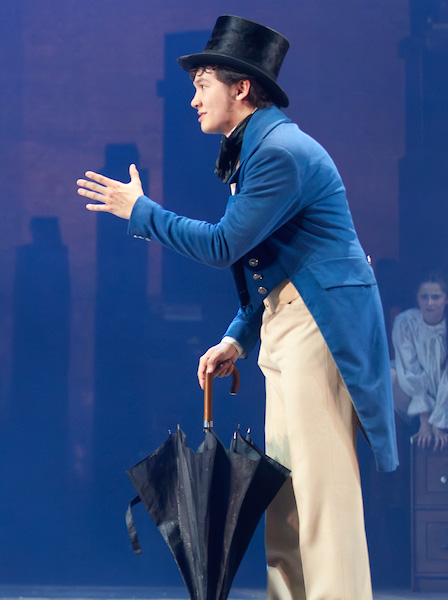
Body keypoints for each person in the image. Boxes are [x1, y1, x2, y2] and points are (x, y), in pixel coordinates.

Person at [76, 15, 397, 600]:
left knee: (322, 499)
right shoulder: (257, 146)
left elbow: (226, 244)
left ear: (241, 88)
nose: (194, 98)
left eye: (203, 85)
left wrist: (140, 211)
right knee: (285, 495)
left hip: (318, 327)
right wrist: (237, 338)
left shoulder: (279, 152)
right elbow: (275, 262)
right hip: (289, 322)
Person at [393, 272, 448, 450]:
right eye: (424, 297)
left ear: (446, 299)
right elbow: (410, 370)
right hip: (415, 393)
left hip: (444, 392)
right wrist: (425, 421)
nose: (429, 303)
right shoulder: (406, 322)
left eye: (436, 297)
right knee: (391, 375)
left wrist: (439, 422)